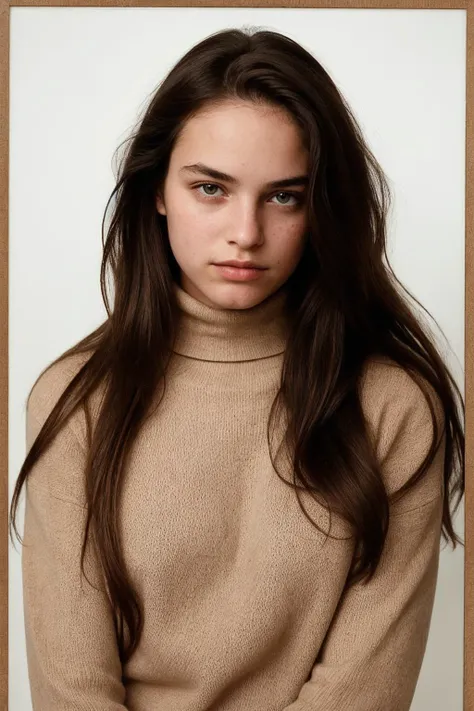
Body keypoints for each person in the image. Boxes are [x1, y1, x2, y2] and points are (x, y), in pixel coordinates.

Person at [9, 26, 464, 711]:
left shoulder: (393, 406)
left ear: (322, 207)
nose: (245, 232)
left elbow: (363, 692)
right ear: (157, 190)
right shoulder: (76, 400)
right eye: (211, 188)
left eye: (285, 195)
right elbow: (72, 690)